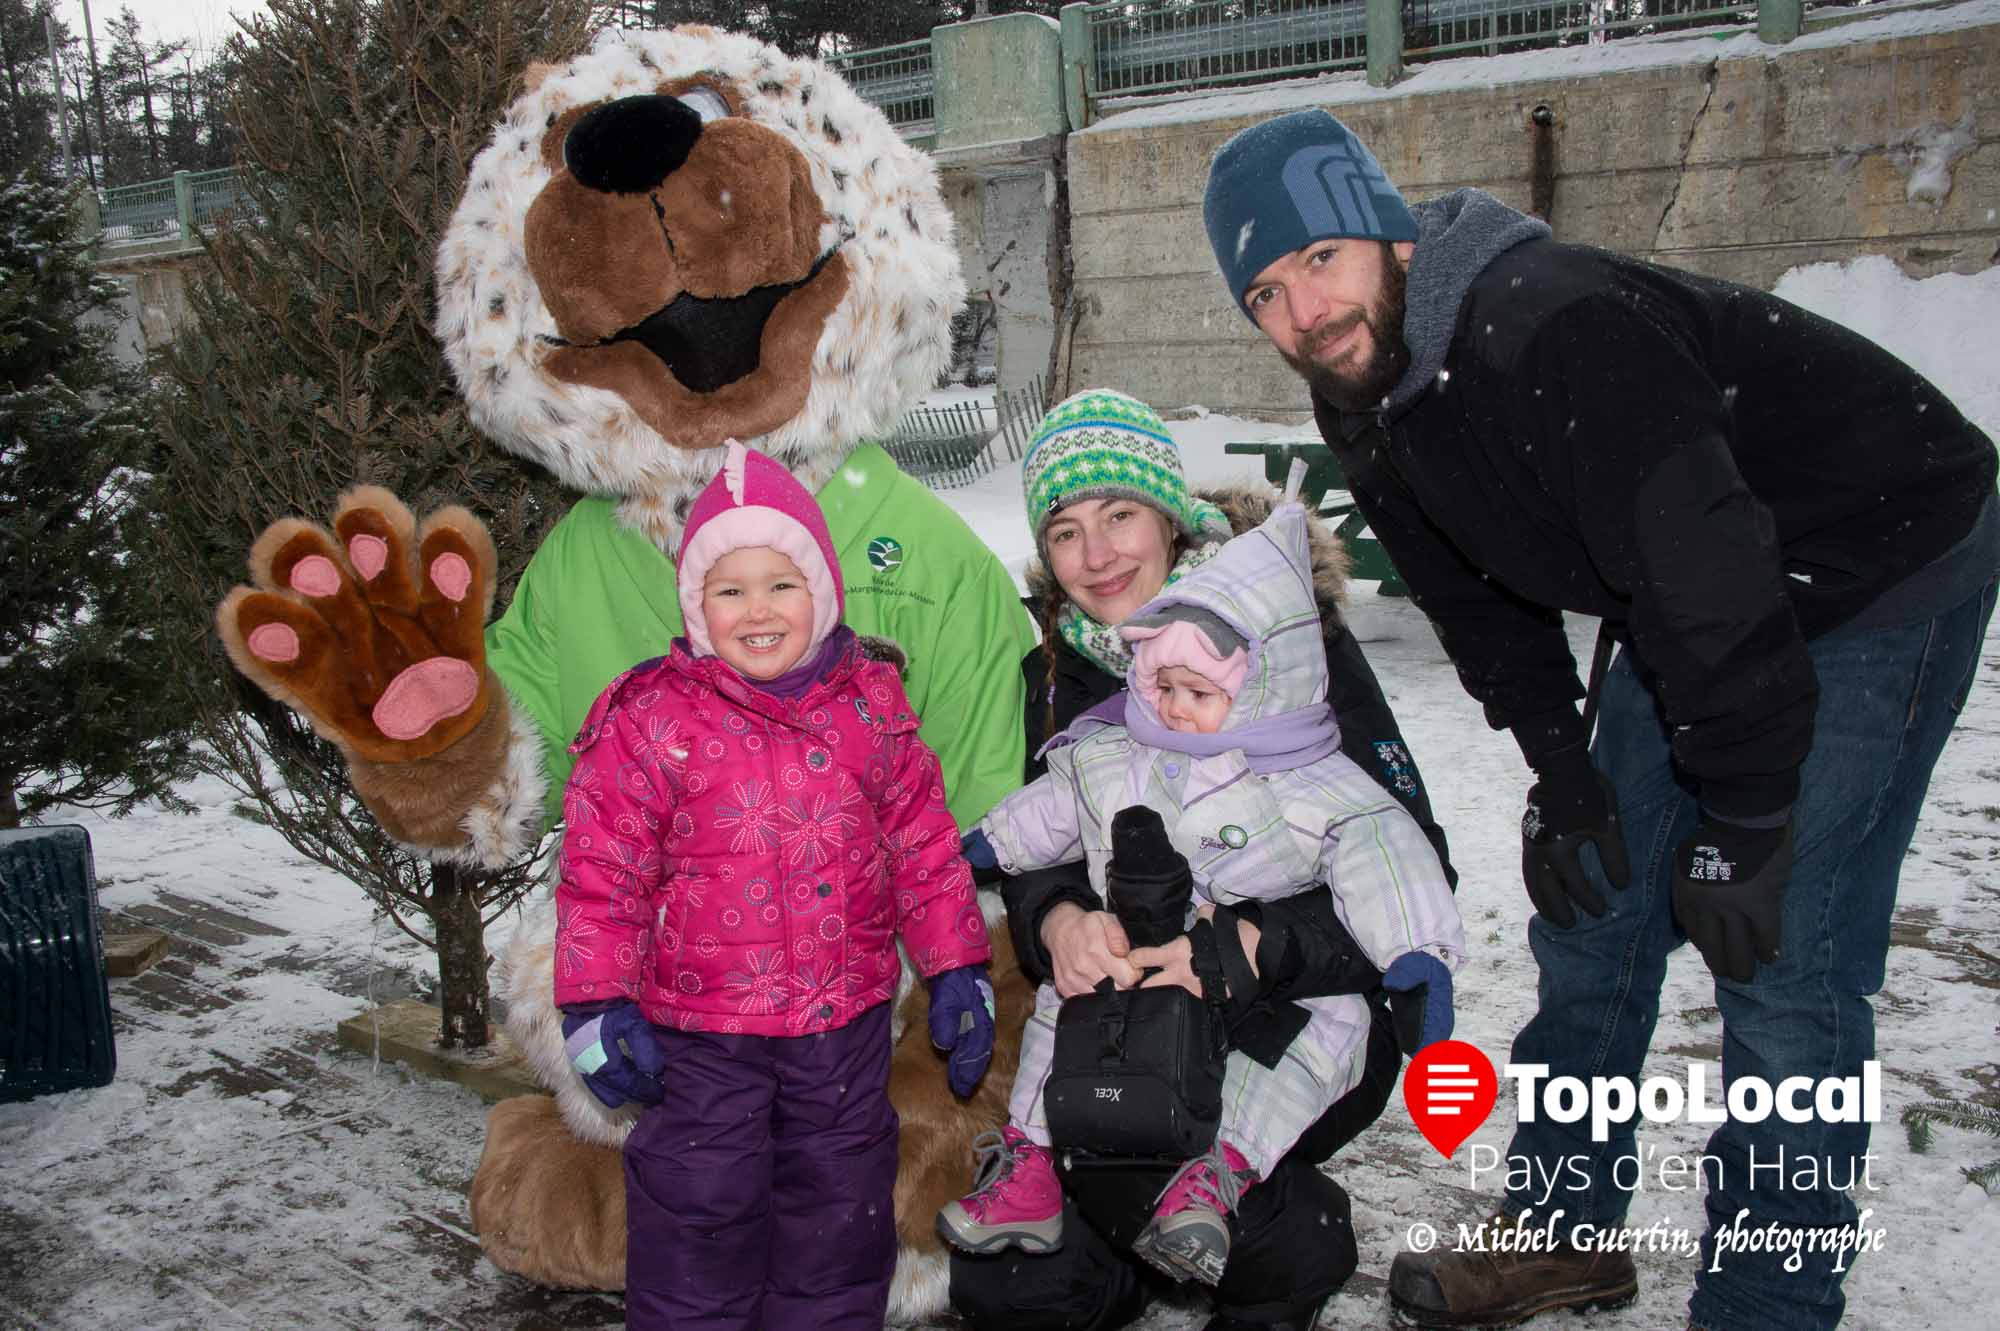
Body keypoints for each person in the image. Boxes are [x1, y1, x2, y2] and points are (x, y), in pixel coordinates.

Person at [1201, 107, 1999, 1331]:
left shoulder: (1551, 325)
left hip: (1876, 559)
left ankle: (1765, 1298)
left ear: (1390, 235)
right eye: (1264, 291)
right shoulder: (1362, 387)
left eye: (1319, 259)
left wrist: (1742, 814)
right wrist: (1561, 772)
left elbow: (1712, 574)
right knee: (1595, 910)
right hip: (1685, 578)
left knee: (1780, 961)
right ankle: (1565, 1231)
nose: (1303, 312)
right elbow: (1475, 600)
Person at [949, 387, 1460, 1331]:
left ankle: (1285, 1239)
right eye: (1065, 529)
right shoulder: (1058, 672)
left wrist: (1246, 948)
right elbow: (1044, 837)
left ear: (1171, 520)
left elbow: (1406, 857)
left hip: (1280, 1011)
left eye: (1119, 514)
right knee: (1007, 1288)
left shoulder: (1288, 646)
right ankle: (1135, 1243)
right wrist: (1057, 920)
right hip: (1127, 1024)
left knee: (1261, 1221)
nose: (1096, 553)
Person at [549, 442, 1000, 1331]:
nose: (758, 609)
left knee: (837, 1219)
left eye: (781, 583)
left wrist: (958, 968)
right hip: (700, 1034)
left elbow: (924, 847)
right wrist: (595, 1001)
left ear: (823, 592)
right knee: (696, 1212)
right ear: (695, 604)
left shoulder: (871, 706)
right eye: (730, 588)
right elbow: (603, 875)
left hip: (844, 1029)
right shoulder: (650, 720)